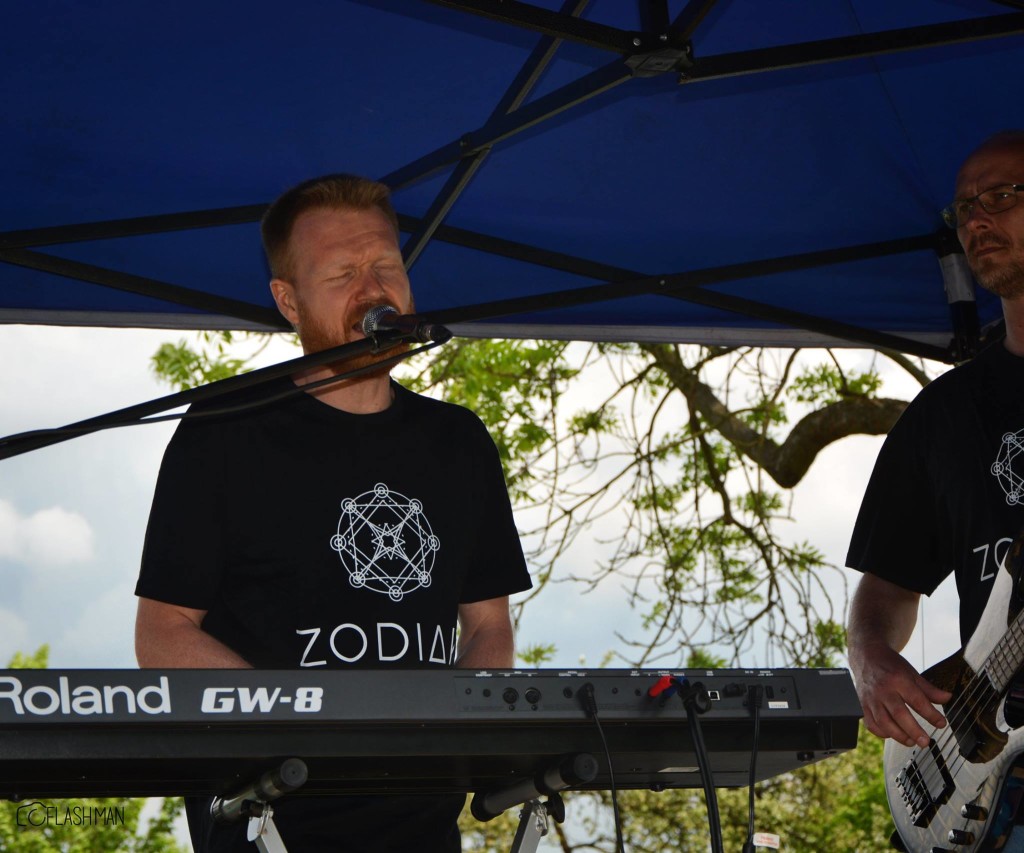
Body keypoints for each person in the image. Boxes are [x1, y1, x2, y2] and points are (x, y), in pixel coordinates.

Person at [133, 174, 532, 852]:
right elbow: (163, 635)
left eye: (386, 267)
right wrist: (303, 722)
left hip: (423, 826)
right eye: (343, 274)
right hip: (271, 822)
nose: (373, 290)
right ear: (288, 300)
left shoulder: (458, 441)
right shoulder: (226, 429)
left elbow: (489, 626)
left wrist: (455, 730)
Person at [847, 130, 1024, 750]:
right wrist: (870, 657)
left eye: (1000, 196)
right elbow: (888, 583)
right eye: (964, 207)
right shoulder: (943, 414)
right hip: (990, 767)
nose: (975, 220)